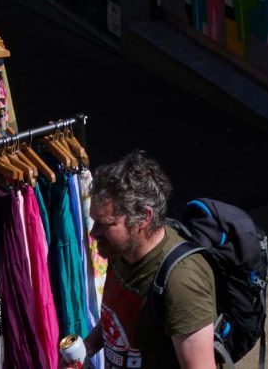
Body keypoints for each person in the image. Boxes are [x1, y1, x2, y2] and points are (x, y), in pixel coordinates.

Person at [90, 152, 218, 369]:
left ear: (143, 218)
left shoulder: (182, 283)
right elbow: (117, 320)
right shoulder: (120, 251)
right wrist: (86, 347)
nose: (93, 233)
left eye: (105, 224)